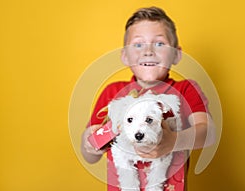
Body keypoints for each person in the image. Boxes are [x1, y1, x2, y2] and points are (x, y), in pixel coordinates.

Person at [81, 6, 215, 164]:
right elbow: (90, 157)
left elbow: (208, 133)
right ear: (125, 56)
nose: (148, 51)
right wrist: (88, 142)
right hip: (123, 187)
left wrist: (173, 141)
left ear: (176, 55)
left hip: (171, 187)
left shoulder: (185, 90)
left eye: (159, 44)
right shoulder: (113, 92)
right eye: (138, 45)